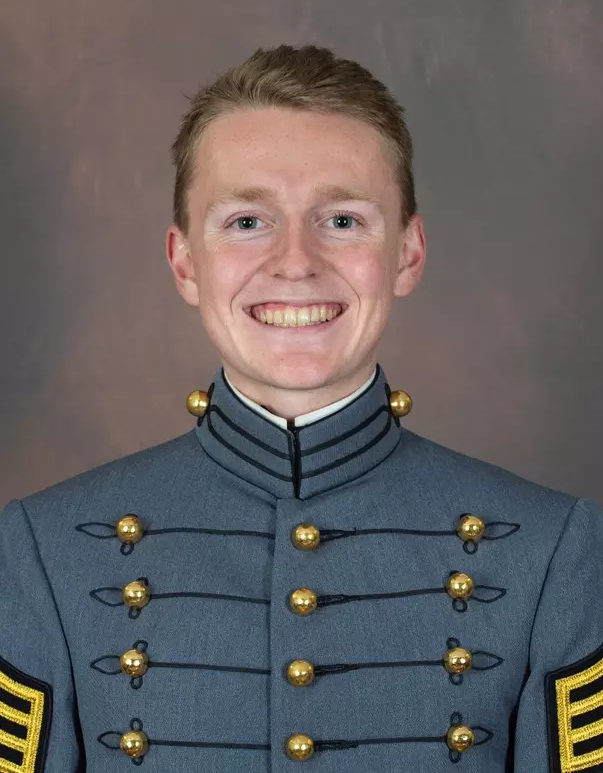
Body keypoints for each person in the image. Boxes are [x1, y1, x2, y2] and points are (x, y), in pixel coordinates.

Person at [0, 43, 601, 773]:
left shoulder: (554, 551)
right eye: (247, 221)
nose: (295, 261)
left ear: (407, 254)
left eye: (342, 220)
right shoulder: (40, 553)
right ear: (184, 260)